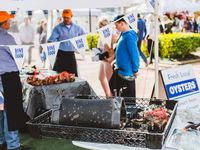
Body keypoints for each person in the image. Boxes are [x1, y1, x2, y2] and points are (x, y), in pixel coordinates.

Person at [0, 11, 31, 150]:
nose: (10, 23)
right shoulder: (7, 38)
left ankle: (1, 140)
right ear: (4, 23)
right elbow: (17, 56)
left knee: (1, 111)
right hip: (8, 76)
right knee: (11, 111)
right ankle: (13, 145)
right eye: (8, 21)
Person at [48, 9, 85, 76]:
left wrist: (80, 47)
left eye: (68, 17)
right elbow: (50, 40)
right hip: (61, 55)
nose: (66, 19)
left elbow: (83, 37)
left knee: (73, 77)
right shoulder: (57, 28)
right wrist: (46, 50)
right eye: (64, 17)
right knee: (58, 76)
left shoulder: (77, 28)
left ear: (71, 16)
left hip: (71, 55)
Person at [110, 14, 140, 98]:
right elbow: (123, 51)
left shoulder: (129, 36)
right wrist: (116, 61)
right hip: (121, 71)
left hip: (127, 73)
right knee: (118, 94)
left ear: (122, 23)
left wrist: (135, 69)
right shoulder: (124, 35)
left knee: (128, 98)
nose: (116, 28)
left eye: (116, 25)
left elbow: (134, 54)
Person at [97, 18, 118, 97]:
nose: (100, 28)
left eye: (102, 26)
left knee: (110, 82)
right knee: (101, 78)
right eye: (99, 26)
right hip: (103, 60)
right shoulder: (102, 36)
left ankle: (112, 99)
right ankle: (108, 95)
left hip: (108, 61)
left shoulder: (112, 36)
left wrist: (112, 58)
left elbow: (117, 49)